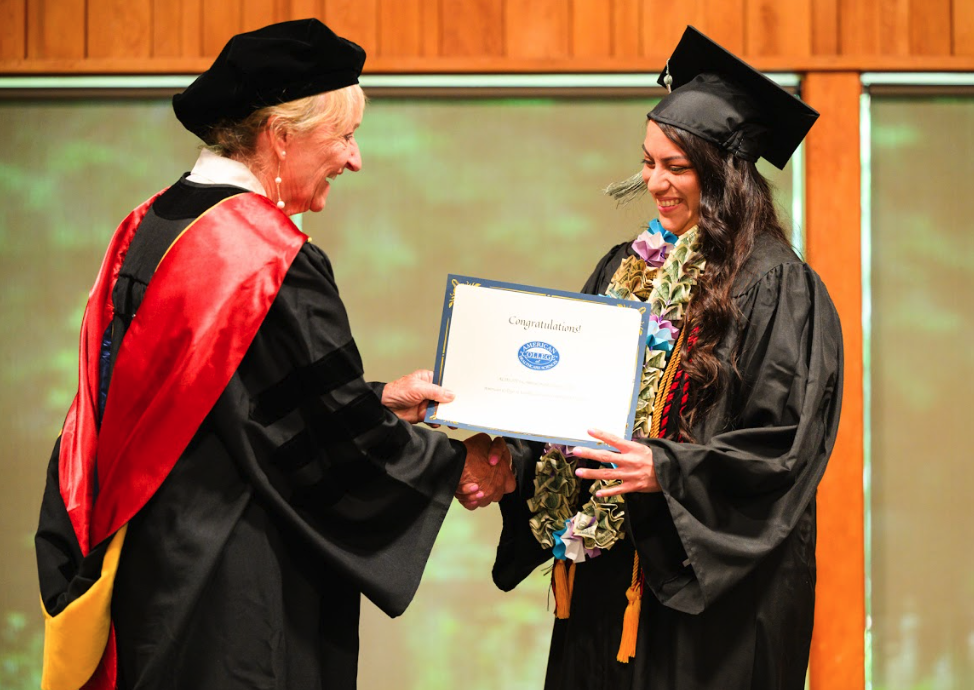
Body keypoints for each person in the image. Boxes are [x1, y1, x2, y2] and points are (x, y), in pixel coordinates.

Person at [34, 19, 513, 690]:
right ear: (281, 137)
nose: (354, 159)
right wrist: (453, 463)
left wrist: (375, 401)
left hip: (156, 570)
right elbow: (323, 441)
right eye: (344, 136)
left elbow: (242, 401)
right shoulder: (265, 257)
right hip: (235, 586)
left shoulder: (152, 225)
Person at [473, 26, 843, 690]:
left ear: (725, 174)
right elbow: (575, 411)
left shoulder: (776, 287)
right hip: (606, 583)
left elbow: (781, 448)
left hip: (708, 605)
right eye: (648, 163)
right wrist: (514, 464)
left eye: (676, 167)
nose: (654, 184)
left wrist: (662, 467)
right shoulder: (625, 269)